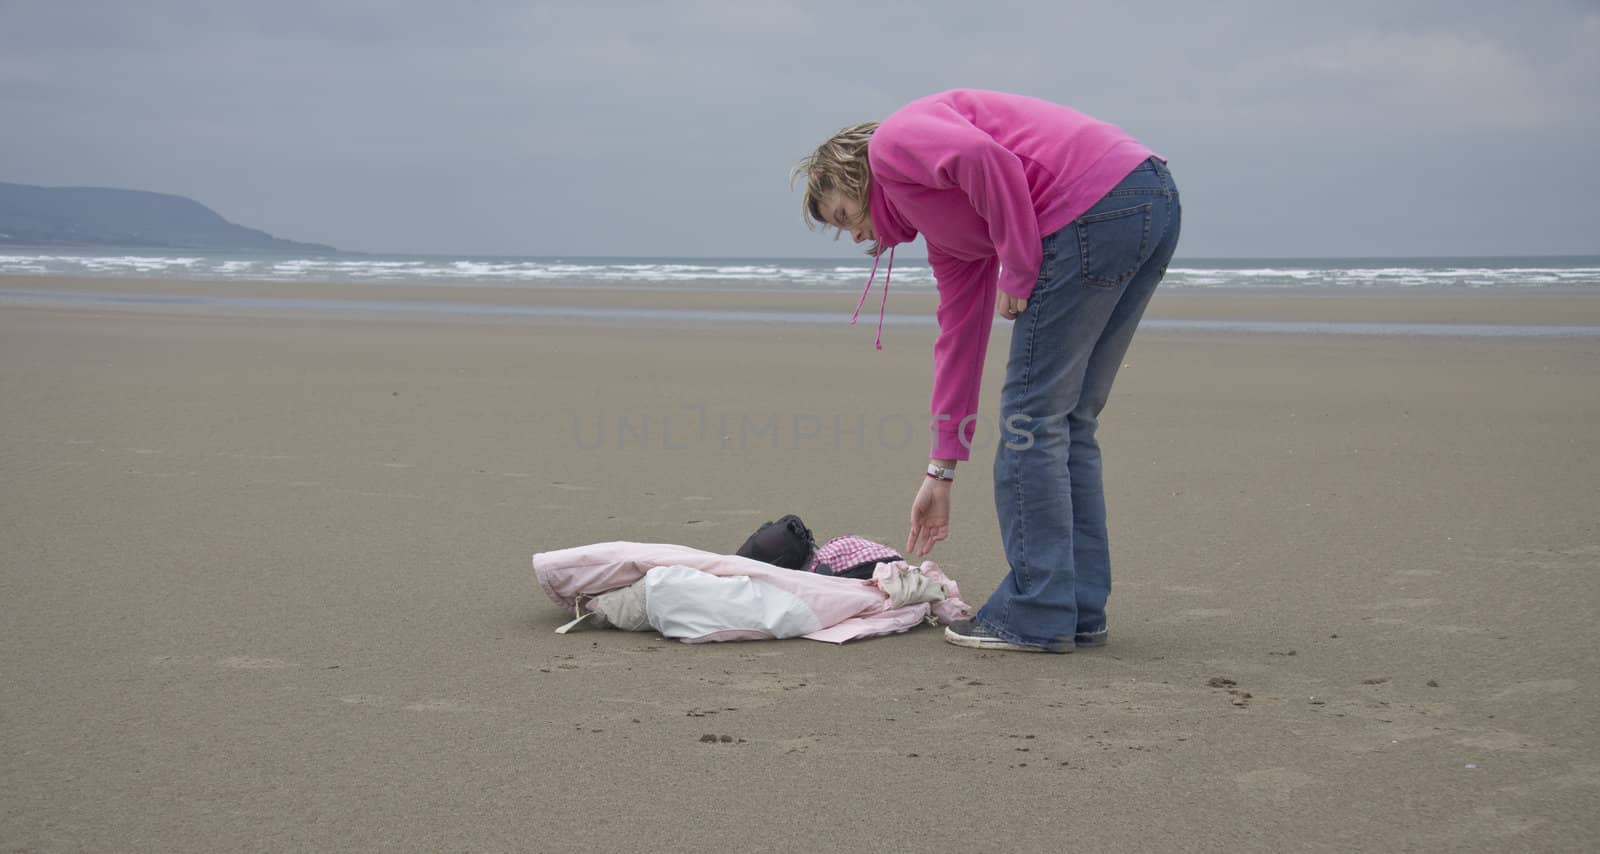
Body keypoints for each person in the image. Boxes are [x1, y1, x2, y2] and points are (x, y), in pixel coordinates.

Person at [793, 89, 1181, 653]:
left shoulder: (894, 143)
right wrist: (940, 470)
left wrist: (1020, 269)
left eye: (844, 215)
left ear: (853, 176)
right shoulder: (951, 237)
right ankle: (1076, 610)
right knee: (1067, 419)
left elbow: (988, 160)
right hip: (1148, 198)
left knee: (1031, 421)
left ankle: (1037, 613)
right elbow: (959, 342)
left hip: (1093, 206)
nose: (854, 236)